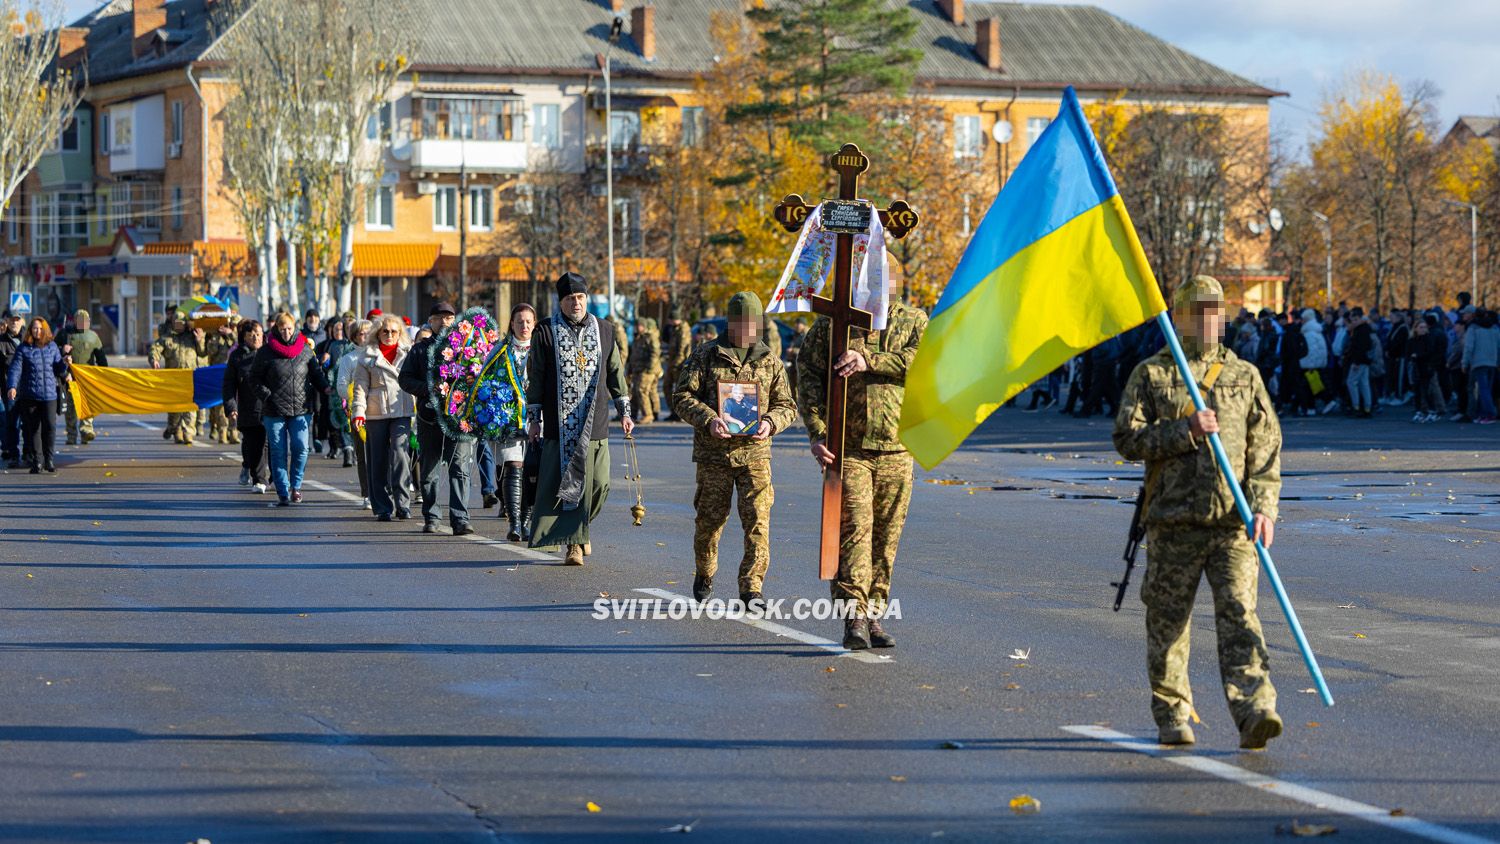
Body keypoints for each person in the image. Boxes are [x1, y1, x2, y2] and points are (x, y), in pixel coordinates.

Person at [1113, 275, 1283, 750]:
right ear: (1181, 316)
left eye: (1216, 311)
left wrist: (1264, 508)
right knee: (1168, 624)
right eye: (1199, 311)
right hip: (1173, 525)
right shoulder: (1152, 374)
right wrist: (1182, 431)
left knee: (1241, 617)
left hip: (1233, 525)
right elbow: (1127, 439)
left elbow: (1265, 449)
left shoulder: (1243, 375)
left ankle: (1254, 711)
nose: (1210, 320)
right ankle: (1172, 713)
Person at [796, 266, 927, 650]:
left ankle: (874, 615)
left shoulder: (914, 321)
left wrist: (870, 360)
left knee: (886, 540)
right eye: (870, 281)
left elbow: (926, 360)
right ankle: (853, 616)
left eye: (885, 282)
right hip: (848, 449)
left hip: (898, 450)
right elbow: (808, 378)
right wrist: (818, 433)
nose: (877, 290)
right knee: (855, 533)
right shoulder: (835, 324)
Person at [673, 291, 797, 604]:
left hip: (755, 456)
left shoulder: (770, 361)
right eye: (742, 321)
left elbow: (787, 405)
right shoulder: (706, 356)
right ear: (731, 322)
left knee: (757, 522)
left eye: (753, 321)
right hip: (715, 456)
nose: (748, 327)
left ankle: (751, 588)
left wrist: (770, 422)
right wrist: (709, 419)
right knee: (709, 523)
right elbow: (682, 397)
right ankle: (705, 571)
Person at [526, 272, 633, 565]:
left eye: (581, 297)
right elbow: (535, 377)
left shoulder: (606, 330)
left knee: (599, 484)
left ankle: (582, 529)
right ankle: (574, 543)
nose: (576, 302)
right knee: (571, 485)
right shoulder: (545, 331)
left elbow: (615, 373)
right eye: (571, 298)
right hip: (559, 426)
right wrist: (534, 419)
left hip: (596, 420)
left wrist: (625, 412)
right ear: (561, 301)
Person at [400, 302, 475, 535]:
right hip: (429, 418)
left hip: (458, 418)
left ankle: (460, 519)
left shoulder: (467, 349)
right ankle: (431, 517)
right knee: (430, 470)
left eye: (449, 318)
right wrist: (429, 389)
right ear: (430, 322)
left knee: (460, 469)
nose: (444, 322)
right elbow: (405, 379)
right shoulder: (420, 350)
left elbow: (479, 376)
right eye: (439, 318)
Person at [251, 312, 329, 506]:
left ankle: (296, 486)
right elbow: (253, 379)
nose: (286, 332)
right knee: (277, 451)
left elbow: (316, 374)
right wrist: (266, 394)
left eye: (289, 329)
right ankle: (283, 490)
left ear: (295, 328)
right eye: (282, 328)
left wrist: (327, 387)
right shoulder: (265, 352)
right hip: (274, 410)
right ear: (276, 329)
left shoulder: (304, 350)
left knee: (301, 448)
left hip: (301, 409)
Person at [353, 315, 416, 521]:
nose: (389, 335)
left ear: (400, 333)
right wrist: (358, 412)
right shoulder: (367, 357)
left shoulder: (408, 354)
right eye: (385, 331)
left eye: (394, 332)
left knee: (400, 453)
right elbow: (360, 388)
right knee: (377, 459)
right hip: (375, 412)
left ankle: (403, 504)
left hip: (402, 410)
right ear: (378, 333)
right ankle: (381, 506)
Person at [492, 303, 537, 541]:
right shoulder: (501, 350)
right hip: (509, 417)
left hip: (536, 418)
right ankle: (515, 524)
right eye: (519, 321)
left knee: (532, 469)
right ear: (512, 324)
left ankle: (527, 519)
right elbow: (487, 379)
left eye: (529, 321)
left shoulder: (541, 350)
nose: (524, 326)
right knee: (512, 466)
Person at [6, 317, 69, 473]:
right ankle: (38, 462)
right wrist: (12, 386)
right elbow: (15, 369)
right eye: (34, 328)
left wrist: (66, 362)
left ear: (45, 330)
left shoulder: (52, 347)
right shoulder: (23, 348)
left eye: (40, 328)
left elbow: (59, 368)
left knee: (50, 427)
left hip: (49, 395)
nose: (37, 331)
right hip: (30, 395)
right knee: (34, 429)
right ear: (30, 330)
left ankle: (49, 460)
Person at [222, 319, 269, 493]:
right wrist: (231, 407)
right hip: (247, 408)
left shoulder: (269, 352)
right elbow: (229, 384)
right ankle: (255, 475)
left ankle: (263, 478)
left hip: (269, 405)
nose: (255, 338)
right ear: (244, 337)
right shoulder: (237, 357)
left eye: (258, 334)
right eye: (251, 335)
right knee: (252, 444)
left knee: (267, 443)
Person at [149, 309, 207, 443]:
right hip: (174, 379)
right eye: (177, 322)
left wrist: (200, 340)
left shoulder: (192, 337)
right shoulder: (167, 338)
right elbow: (155, 349)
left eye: (182, 322)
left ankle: (188, 433)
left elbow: (203, 353)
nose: (179, 325)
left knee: (190, 408)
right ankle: (174, 429)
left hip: (189, 378)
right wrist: (154, 359)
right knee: (175, 410)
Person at [335, 319, 374, 508]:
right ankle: (367, 493)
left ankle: (386, 489)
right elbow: (341, 386)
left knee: (384, 453)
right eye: (361, 333)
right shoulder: (349, 359)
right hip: (358, 412)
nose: (365, 336)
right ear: (355, 337)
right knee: (363, 454)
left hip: (380, 411)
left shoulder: (379, 355)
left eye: (368, 332)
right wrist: (355, 397)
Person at [59, 309, 104, 445]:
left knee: (87, 405)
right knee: (71, 409)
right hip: (70, 378)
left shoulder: (93, 337)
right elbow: (51, 348)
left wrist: (105, 374)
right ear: (74, 321)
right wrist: (62, 349)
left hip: (87, 379)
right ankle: (71, 435)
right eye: (80, 320)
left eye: (85, 321)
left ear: (89, 322)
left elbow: (101, 358)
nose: (83, 323)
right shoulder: (65, 333)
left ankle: (86, 431)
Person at [316, 318, 354, 463]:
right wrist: (325, 361)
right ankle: (347, 450)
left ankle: (354, 450)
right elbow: (329, 366)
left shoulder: (359, 346)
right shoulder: (335, 345)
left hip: (356, 388)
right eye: (347, 328)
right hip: (339, 388)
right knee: (342, 421)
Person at [1409, 314, 1448, 423]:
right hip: (1417, 367)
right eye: (1420, 327)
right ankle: (1421, 410)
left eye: (1424, 327)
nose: (1423, 329)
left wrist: (1418, 356)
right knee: (1418, 390)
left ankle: (1433, 410)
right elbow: (1408, 351)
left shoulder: (1430, 338)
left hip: (1427, 367)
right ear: (1416, 328)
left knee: (1429, 390)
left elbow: (1431, 352)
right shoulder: (1413, 340)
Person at [1462, 308, 1499, 424]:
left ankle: (1490, 413)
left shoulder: (1473, 328)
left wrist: (1465, 362)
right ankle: (1484, 414)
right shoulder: (1494, 328)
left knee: (1482, 390)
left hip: (1478, 361)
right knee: (1487, 388)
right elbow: (1498, 346)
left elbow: (1468, 347)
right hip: (1492, 362)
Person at [203, 320, 236, 443]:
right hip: (218, 374)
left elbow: (241, 344)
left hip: (233, 373)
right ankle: (222, 431)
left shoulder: (235, 334)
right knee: (219, 405)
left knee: (234, 403)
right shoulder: (214, 337)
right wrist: (217, 337)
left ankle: (233, 432)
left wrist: (230, 333)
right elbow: (210, 352)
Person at [628, 316, 662, 425]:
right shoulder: (637, 337)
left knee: (642, 391)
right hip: (637, 369)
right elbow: (633, 355)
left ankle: (648, 415)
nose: (638, 328)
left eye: (641, 326)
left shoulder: (650, 337)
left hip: (647, 370)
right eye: (637, 325)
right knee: (635, 392)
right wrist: (630, 369)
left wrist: (649, 368)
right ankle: (632, 414)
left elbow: (655, 353)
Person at [0, 313, 24, 467]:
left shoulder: (29, 340)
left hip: (29, 389)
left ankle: (30, 453)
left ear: (22, 322)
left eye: (17, 320)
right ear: (7, 322)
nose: (14, 323)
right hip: (10, 390)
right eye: (12, 320)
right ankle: (14, 453)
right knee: (13, 423)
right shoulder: (1, 342)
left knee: (29, 423)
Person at [662, 303, 692, 421]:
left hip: (679, 365)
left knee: (679, 390)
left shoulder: (683, 330)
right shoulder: (675, 329)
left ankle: (679, 413)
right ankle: (673, 411)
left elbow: (682, 350)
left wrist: (675, 364)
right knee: (667, 387)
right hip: (672, 363)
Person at [1345, 307, 1375, 418]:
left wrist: (1356, 362)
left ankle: (1356, 406)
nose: (1352, 322)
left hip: (1359, 361)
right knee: (1364, 383)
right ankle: (1367, 407)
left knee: (1351, 382)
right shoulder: (1364, 329)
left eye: (1354, 320)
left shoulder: (1360, 330)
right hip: (1364, 360)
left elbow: (1360, 347)